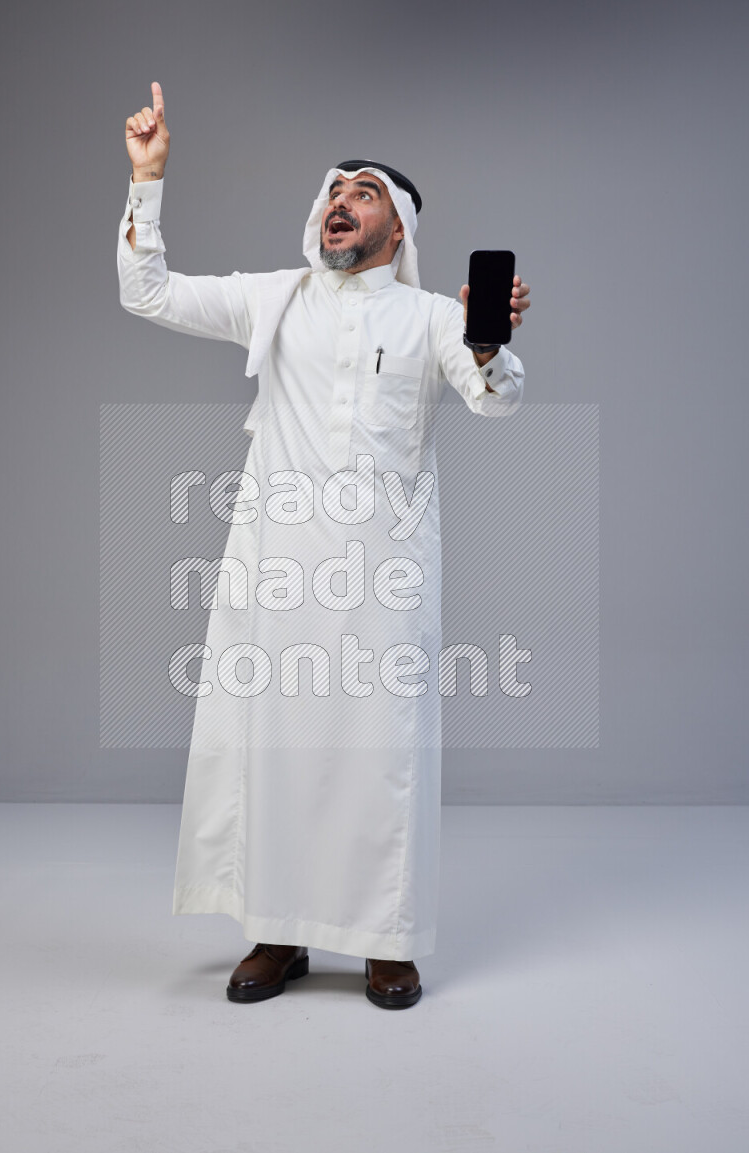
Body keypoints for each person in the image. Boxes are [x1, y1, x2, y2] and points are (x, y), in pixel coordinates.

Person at [118, 82, 530, 1010]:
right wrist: (148, 182)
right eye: (333, 188)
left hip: (383, 574)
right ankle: (279, 931)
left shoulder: (430, 319)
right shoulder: (275, 299)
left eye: (364, 192)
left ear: (397, 230)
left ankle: (388, 941)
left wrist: (490, 342)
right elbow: (146, 291)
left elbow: (496, 401)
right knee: (281, 746)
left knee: (381, 750)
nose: (339, 200)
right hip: (277, 568)